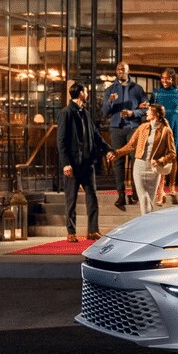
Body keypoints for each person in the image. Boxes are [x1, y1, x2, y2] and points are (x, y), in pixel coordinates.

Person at [56, 81, 111, 242]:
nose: (87, 93)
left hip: (87, 163)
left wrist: (108, 149)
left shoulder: (85, 113)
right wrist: (65, 163)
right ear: (80, 93)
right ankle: (71, 231)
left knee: (92, 197)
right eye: (86, 91)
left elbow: (95, 135)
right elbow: (61, 140)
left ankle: (93, 230)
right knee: (71, 200)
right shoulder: (66, 113)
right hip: (72, 164)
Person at [107, 104, 176, 215]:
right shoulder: (142, 127)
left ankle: (147, 225)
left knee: (150, 200)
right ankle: (146, 224)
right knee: (143, 197)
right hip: (139, 166)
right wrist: (117, 153)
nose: (147, 112)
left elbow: (172, 154)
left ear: (156, 115)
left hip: (154, 169)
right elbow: (131, 145)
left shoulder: (166, 131)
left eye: (149, 111)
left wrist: (160, 161)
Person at [100, 61, 147, 210]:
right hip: (116, 128)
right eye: (118, 69)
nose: (120, 71)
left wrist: (133, 113)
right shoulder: (110, 90)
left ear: (128, 71)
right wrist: (110, 101)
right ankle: (120, 194)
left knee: (135, 160)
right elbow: (104, 112)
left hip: (133, 128)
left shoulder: (137, 89)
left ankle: (135, 193)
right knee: (118, 162)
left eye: (123, 69)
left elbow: (146, 108)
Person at [150, 68, 178, 205]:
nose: (164, 80)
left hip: (175, 124)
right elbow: (151, 109)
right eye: (162, 78)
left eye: (167, 78)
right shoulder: (156, 93)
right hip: (160, 124)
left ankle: (172, 185)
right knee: (160, 155)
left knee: (173, 155)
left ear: (173, 79)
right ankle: (160, 189)